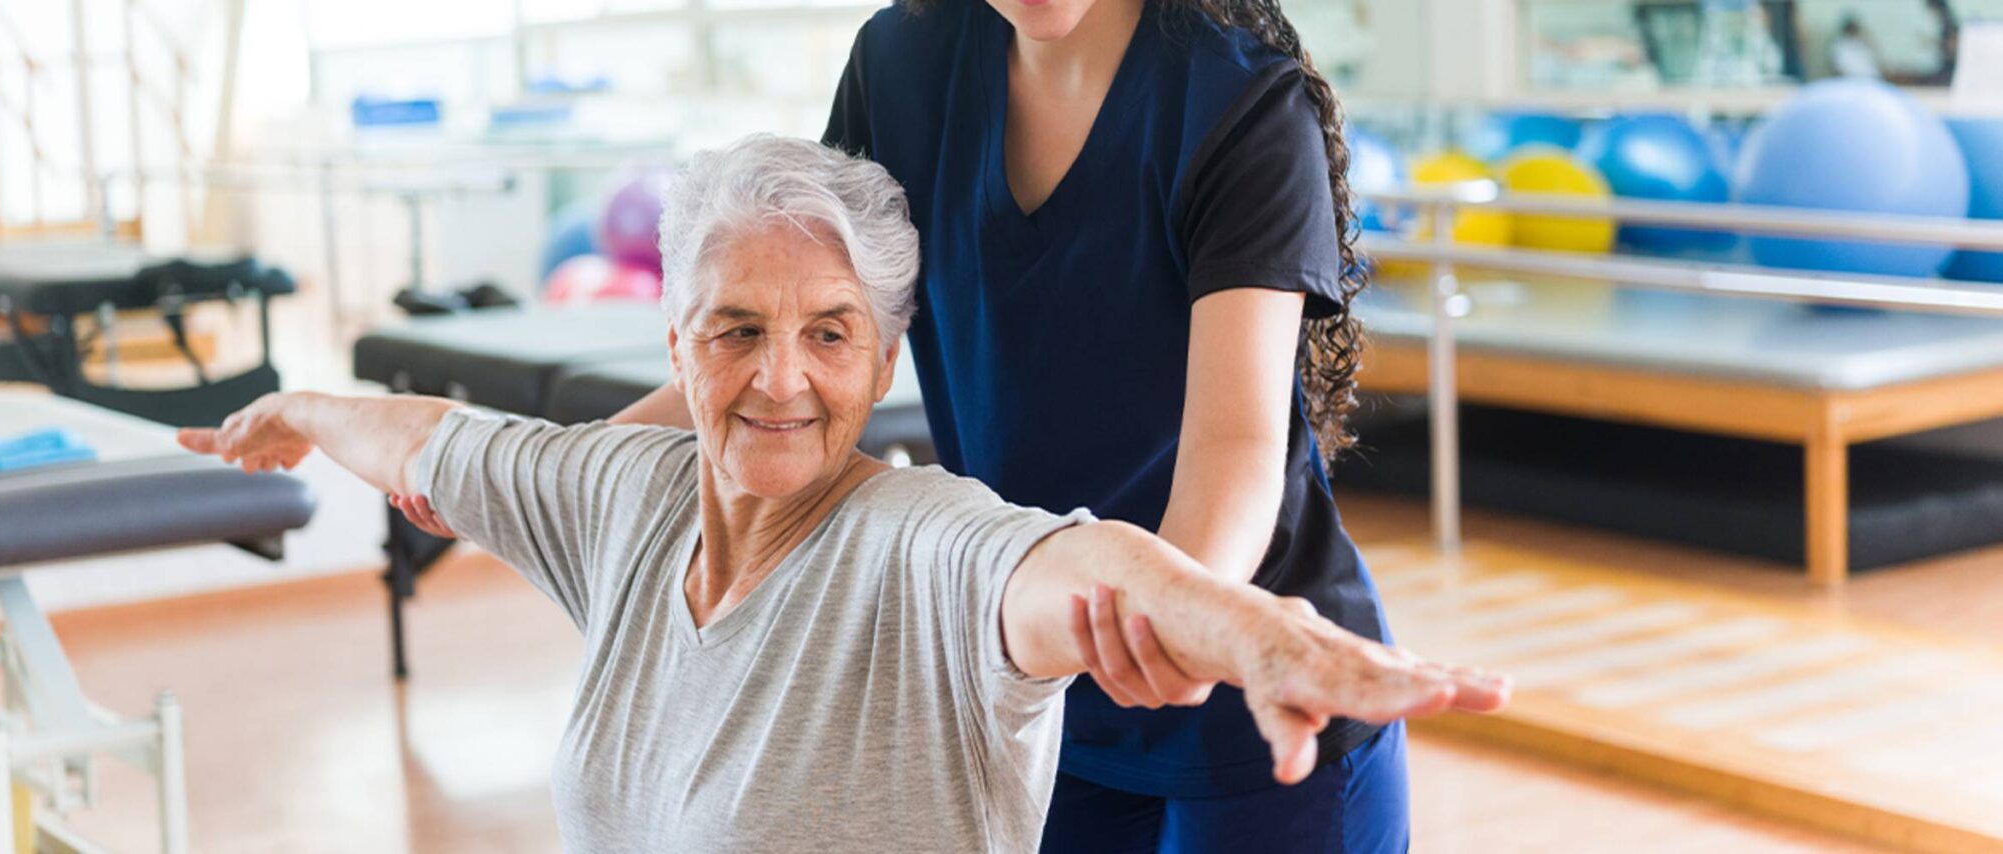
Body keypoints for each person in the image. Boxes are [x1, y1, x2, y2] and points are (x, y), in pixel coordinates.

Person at [186, 136, 1507, 852]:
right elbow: (433, 438)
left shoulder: (918, 543)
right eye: (735, 330)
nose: (779, 377)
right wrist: (301, 412)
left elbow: (1086, 563)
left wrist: (1263, 634)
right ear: (672, 348)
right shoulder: (616, 492)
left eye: (828, 333)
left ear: (883, 360)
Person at [400, 0, 1453, 847]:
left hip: (1250, 694)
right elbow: (770, 340)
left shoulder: (1237, 100)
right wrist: (537, 471)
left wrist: (1176, 613)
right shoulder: (902, 62)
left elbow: (1233, 441)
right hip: (1045, 684)